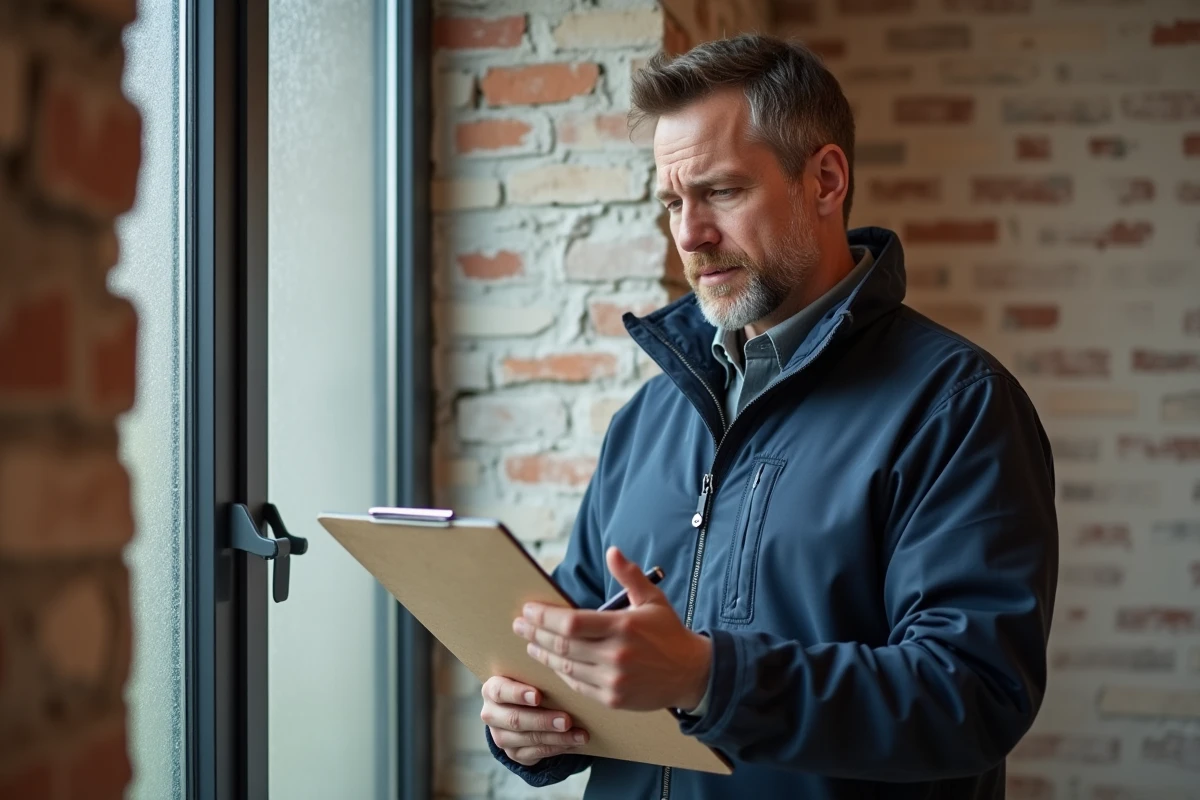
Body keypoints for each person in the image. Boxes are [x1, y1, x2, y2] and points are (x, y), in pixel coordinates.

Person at [480, 34, 1058, 799]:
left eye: (720, 192)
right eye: (672, 202)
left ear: (824, 180)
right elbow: (579, 635)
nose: (689, 234)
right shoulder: (648, 417)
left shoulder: (957, 404)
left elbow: (976, 694)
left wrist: (709, 678)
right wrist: (525, 722)